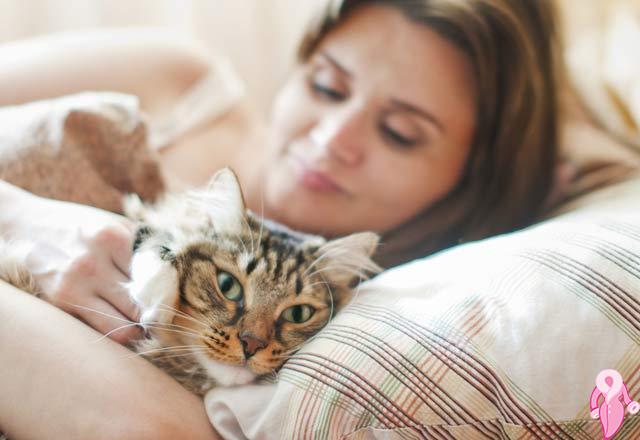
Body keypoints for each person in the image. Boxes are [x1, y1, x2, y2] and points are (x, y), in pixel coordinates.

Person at [0, 0, 563, 438]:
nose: (328, 139)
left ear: (474, 178)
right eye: (328, 85)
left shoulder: (383, 316)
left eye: (401, 133)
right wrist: (21, 219)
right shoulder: (180, 80)